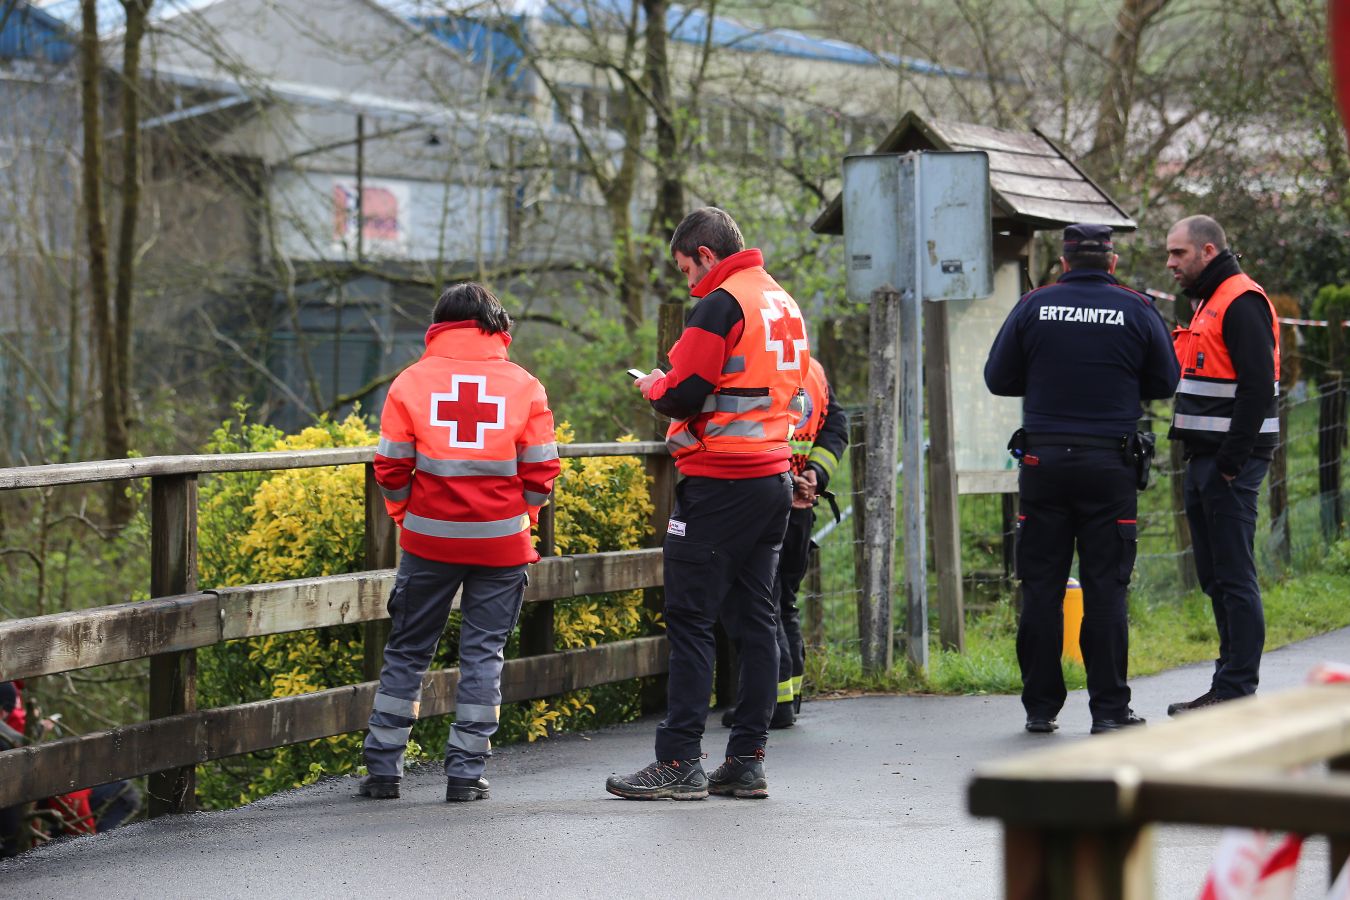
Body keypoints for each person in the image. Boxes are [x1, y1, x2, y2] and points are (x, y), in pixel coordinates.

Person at [607, 207, 808, 800]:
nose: (687, 282)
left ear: (706, 254)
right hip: (772, 479)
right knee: (757, 620)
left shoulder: (721, 303)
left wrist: (654, 386)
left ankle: (677, 762)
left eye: (686, 268)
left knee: (690, 619)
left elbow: (687, 394)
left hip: (719, 481)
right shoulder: (782, 302)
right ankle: (746, 759)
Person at [361, 282, 560, 802]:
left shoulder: (409, 382)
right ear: (498, 328)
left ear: (438, 325)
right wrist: (524, 517)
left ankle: (384, 771)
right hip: (501, 545)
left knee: (407, 649)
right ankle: (465, 775)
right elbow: (541, 473)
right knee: (483, 654)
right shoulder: (525, 385)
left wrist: (408, 515)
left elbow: (391, 467)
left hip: (429, 542)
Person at [984, 223, 1179, 735]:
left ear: (1065, 262)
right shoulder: (1136, 308)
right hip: (1109, 466)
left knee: (1041, 588)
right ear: (1112, 262)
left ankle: (1040, 708)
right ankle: (1110, 711)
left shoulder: (1034, 305)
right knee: (1106, 589)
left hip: (1043, 466)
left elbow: (998, 378)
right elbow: (1166, 381)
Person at [1164, 215, 1280, 715]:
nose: (1170, 263)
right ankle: (1226, 683)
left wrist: (1231, 463)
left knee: (1233, 576)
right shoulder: (1208, 301)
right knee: (1215, 576)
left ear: (1208, 251)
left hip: (1229, 462)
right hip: (1205, 458)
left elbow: (1257, 386)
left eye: (1179, 253)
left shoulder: (1240, 300)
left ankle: (1235, 689)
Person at [721, 356, 848, 729]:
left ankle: (772, 707)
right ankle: (788, 700)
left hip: (766, 501)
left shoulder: (761, 367)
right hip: (802, 507)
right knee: (784, 605)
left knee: (761, 604)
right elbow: (836, 426)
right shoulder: (814, 370)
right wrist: (816, 473)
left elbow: (757, 431)